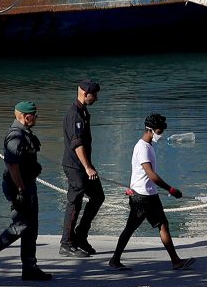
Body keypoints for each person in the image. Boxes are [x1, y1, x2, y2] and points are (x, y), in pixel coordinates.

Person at [0, 101, 52, 281]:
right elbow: (12, 164)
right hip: (19, 186)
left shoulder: (24, 133)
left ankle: (29, 267)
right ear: (25, 117)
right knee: (21, 225)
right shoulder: (16, 135)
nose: (37, 118)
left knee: (31, 228)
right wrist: (20, 189)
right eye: (34, 115)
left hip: (27, 184)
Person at [107, 113, 194, 271]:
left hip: (148, 194)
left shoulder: (148, 146)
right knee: (132, 227)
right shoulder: (142, 148)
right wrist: (171, 189)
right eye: (159, 132)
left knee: (162, 225)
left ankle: (175, 261)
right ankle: (115, 260)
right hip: (142, 197)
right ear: (150, 130)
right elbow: (150, 174)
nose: (160, 135)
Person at [60, 79, 104, 258]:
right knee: (75, 202)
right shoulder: (74, 115)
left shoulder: (83, 111)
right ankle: (66, 243)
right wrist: (87, 167)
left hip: (85, 165)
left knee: (98, 197)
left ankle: (80, 235)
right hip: (75, 166)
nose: (97, 98)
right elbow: (77, 144)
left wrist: (89, 166)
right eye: (95, 95)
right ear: (85, 94)